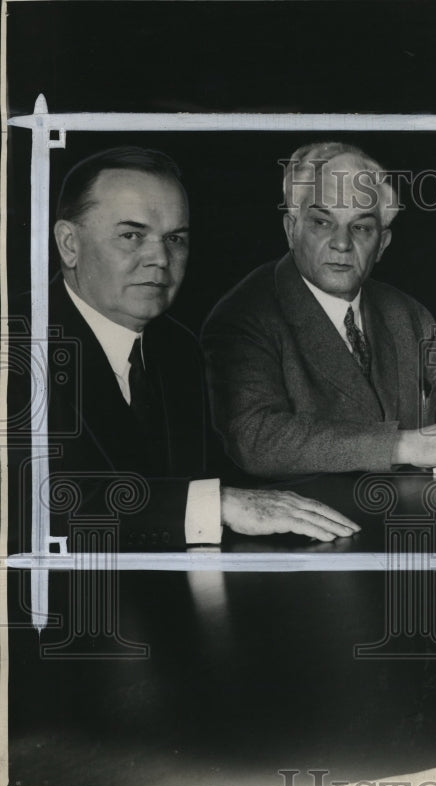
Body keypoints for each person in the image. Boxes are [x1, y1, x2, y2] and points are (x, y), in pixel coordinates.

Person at [43, 146, 359, 549]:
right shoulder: (16, 345)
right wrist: (217, 504)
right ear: (69, 243)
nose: (160, 258)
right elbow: (32, 507)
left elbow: (228, 472)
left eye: (175, 238)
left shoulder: (175, 346)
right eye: (131, 235)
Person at [201, 142, 436, 476]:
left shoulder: (403, 311)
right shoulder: (245, 314)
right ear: (291, 230)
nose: (341, 243)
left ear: (382, 244)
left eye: (361, 227)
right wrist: (403, 445)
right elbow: (257, 436)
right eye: (322, 222)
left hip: (404, 514)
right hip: (306, 518)